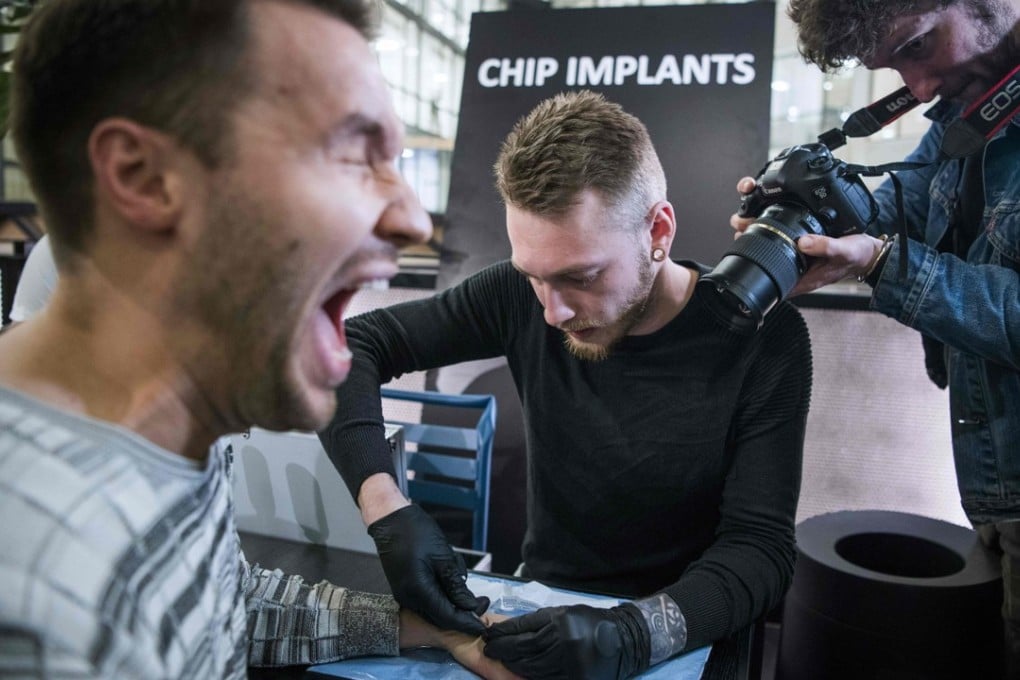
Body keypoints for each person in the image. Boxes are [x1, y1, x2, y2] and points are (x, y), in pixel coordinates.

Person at [0, 1, 519, 678]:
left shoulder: (174, 438)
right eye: (349, 154)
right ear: (143, 178)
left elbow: (226, 611)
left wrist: (419, 628)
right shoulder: (42, 599)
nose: (412, 217)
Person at [320, 89, 812, 678]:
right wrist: (387, 512)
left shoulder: (763, 337)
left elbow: (760, 550)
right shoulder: (517, 297)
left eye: (581, 276)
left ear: (658, 230)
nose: (552, 312)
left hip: (690, 632)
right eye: (534, 276)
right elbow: (350, 347)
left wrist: (632, 635)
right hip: (545, 601)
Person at [730, 0, 1020, 673]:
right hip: (996, 488)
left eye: (917, 46)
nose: (917, 88)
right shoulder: (971, 106)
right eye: (893, 68)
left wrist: (879, 262)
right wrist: (817, 206)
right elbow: (912, 207)